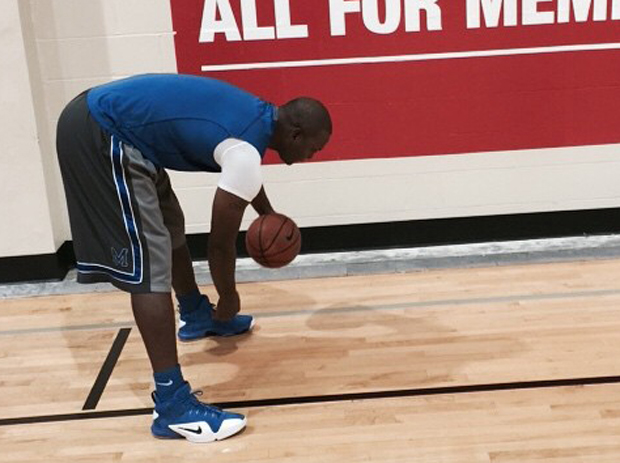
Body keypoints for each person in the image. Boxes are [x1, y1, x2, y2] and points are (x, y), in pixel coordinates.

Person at [56, 73, 332, 443]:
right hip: (103, 129)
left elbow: (244, 174)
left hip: (117, 126)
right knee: (151, 266)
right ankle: (172, 405)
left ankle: (196, 315)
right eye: (314, 148)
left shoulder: (257, 119)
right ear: (296, 135)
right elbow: (219, 245)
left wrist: (266, 212)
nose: (311, 156)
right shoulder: (247, 149)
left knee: (170, 225)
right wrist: (229, 297)